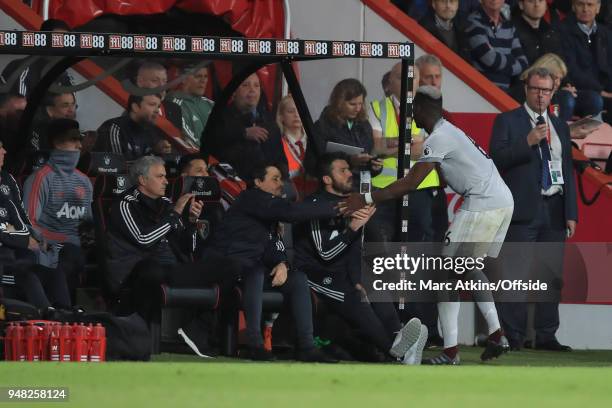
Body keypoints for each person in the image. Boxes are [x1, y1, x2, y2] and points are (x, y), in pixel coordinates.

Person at [340, 86, 513, 364]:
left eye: (411, 109)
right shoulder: (451, 132)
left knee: (446, 277)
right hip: (500, 201)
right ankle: (495, 333)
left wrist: (367, 197)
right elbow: (448, 174)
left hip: (481, 204)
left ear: (419, 109)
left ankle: (451, 351)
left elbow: (409, 183)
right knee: (467, 269)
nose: (409, 115)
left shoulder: (439, 139)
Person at [293, 152, 428, 364]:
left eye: (349, 169)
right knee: (354, 297)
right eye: (342, 171)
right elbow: (325, 254)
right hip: (315, 273)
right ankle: (398, 354)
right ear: (327, 179)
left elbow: (355, 251)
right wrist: (353, 228)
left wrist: (358, 279)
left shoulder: (353, 202)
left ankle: (399, 339)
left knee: (374, 285)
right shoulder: (316, 205)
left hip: (341, 272)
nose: (349, 174)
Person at [212, 163, 349, 362]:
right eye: (274, 179)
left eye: (281, 179)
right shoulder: (252, 199)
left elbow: (273, 244)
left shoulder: (270, 210)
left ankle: (306, 346)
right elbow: (292, 213)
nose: (281, 184)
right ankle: (255, 344)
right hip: (230, 266)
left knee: (298, 280)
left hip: (254, 269)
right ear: (258, 182)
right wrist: (340, 207)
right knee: (256, 272)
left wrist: (283, 263)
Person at [106, 155, 239, 356]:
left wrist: (192, 222)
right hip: (136, 270)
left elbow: (188, 247)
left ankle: (195, 331)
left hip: (171, 269)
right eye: (160, 177)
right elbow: (143, 240)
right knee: (152, 269)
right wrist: (175, 215)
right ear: (142, 180)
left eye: (166, 176)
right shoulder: (125, 204)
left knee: (230, 266)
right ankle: (139, 341)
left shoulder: (166, 203)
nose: (166, 181)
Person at [490, 67, 576, 351]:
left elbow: (566, 169)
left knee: (550, 276)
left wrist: (571, 212)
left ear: (553, 92)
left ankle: (546, 335)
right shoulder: (508, 121)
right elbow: (497, 160)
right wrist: (526, 142)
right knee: (514, 276)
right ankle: (512, 337)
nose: (541, 95)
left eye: (547, 90)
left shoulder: (559, 125)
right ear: (526, 89)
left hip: (553, 208)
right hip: (522, 210)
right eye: (536, 89)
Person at [0, 139, 72, 313]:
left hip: (15, 256)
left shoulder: (6, 179)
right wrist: (23, 239)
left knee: (55, 273)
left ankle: (69, 318)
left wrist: (17, 232)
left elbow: (22, 221)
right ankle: (47, 317)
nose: (4, 152)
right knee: (27, 276)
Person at [23, 119, 92, 298]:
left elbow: (87, 224)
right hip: (50, 249)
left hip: (77, 251)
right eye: (73, 140)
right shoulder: (40, 178)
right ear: (56, 142)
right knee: (68, 253)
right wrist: (57, 241)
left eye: (80, 140)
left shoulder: (84, 181)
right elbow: (29, 221)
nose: (79, 145)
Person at [208, 73, 286, 178]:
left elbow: (281, 160)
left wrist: (280, 177)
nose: (252, 89)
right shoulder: (220, 119)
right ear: (233, 92)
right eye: (245, 85)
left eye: (256, 85)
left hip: (271, 185)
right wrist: (244, 133)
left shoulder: (270, 122)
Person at [311, 79, 382, 190]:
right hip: (337, 191)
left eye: (360, 103)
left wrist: (374, 167)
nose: (358, 108)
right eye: (352, 104)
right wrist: (349, 160)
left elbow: (369, 155)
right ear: (339, 102)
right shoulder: (322, 126)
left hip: (364, 188)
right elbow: (313, 164)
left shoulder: (364, 124)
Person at [560, 0, 612, 121]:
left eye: (590, 5)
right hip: (579, 91)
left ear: (598, 8)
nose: (585, 9)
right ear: (573, 7)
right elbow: (571, 70)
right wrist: (601, 91)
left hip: (604, 90)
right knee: (595, 100)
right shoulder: (562, 31)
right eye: (580, 4)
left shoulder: (606, 34)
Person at [466, 0, 529, 91]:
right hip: (480, 92)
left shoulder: (509, 25)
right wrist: (511, 59)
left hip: (505, 93)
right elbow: (491, 60)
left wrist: (499, 60)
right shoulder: (474, 22)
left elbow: (523, 63)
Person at [0, 19, 72, 99]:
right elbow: (20, 108)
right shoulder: (22, 70)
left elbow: (70, 108)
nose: (61, 45)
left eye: (66, 41)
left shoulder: (64, 73)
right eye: (56, 40)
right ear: (43, 40)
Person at [94, 94, 161, 160]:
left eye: (158, 106)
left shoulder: (151, 133)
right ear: (135, 107)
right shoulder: (114, 128)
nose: (157, 110)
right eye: (152, 105)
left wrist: (157, 152)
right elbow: (117, 165)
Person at [169, 64, 214, 149]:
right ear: (183, 79)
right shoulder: (174, 105)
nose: (203, 81)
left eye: (205, 76)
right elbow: (190, 142)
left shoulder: (211, 104)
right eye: (198, 76)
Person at [513, 0, 564, 66]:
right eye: (531, 1)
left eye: (541, 0)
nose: (537, 4)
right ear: (521, 5)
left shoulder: (551, 31)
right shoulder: (512, 32)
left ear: (546, 5)